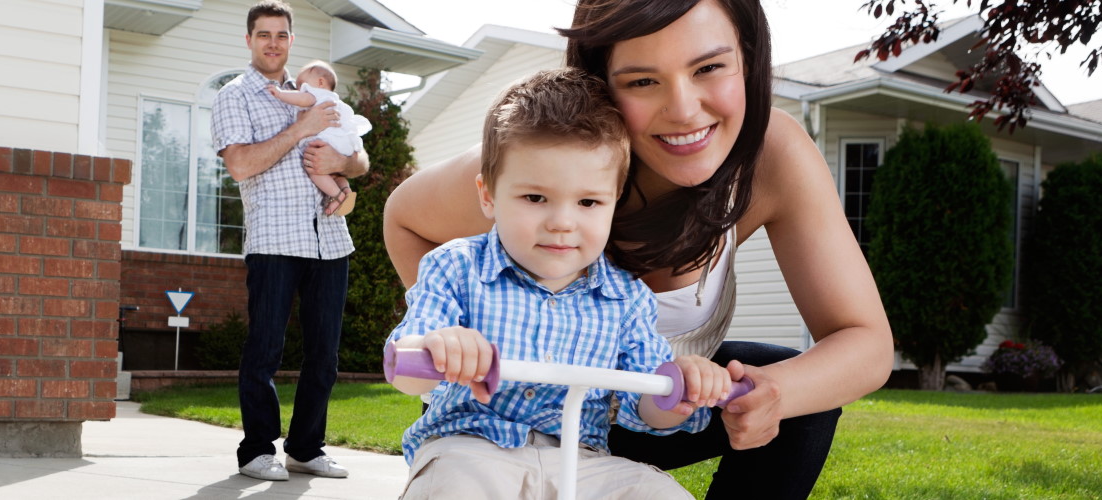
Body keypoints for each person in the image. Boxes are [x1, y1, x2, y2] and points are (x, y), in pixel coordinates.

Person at [382, 0, 894, 498]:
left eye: (710, 66)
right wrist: (453, 346)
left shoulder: (771, 156)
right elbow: (404, 217)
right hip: (499, 409)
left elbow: (865, 342)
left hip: (651, 405)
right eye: (643, 80)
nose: (684, 110)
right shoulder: (539, 165)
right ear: (599, 84)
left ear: (749, 59)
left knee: (799, 395)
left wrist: (773, 394)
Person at [387, 68, 733, 500]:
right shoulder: (454, 266)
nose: (562, 223)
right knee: (452, 488)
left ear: (614, 201)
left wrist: (678, 388)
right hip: (471, 449)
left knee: (658, 493)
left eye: (588, 202)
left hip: (582, 460)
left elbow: (641, 410)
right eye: (535, 198)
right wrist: (440, 345)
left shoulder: (626, 298)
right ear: (488, 195)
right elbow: (407, 371)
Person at [211, 0, 368, 482]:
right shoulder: (234, 95)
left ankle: (305, 447)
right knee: (265, 350)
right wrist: (301, 128)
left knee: (324, 354)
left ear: (291, 40)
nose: (273, 43)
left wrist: (341, 168)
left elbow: (360, 159)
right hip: (275, 239)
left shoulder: (317, 92)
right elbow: (240, 165)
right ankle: (257, 450)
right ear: (249, 40)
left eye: (281, 35)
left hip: (330, 239)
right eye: (263, 35)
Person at [264, 60, 370, 216]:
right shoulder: (335, 100)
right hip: (343, 143)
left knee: (315, 169)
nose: (299, 88)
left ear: (320, 82)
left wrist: (280, 94)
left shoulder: (315, 94)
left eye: (301, 85)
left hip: (327, 140)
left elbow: (302, 99)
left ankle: (338, 196)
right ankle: (346, 190)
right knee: (336, 174)